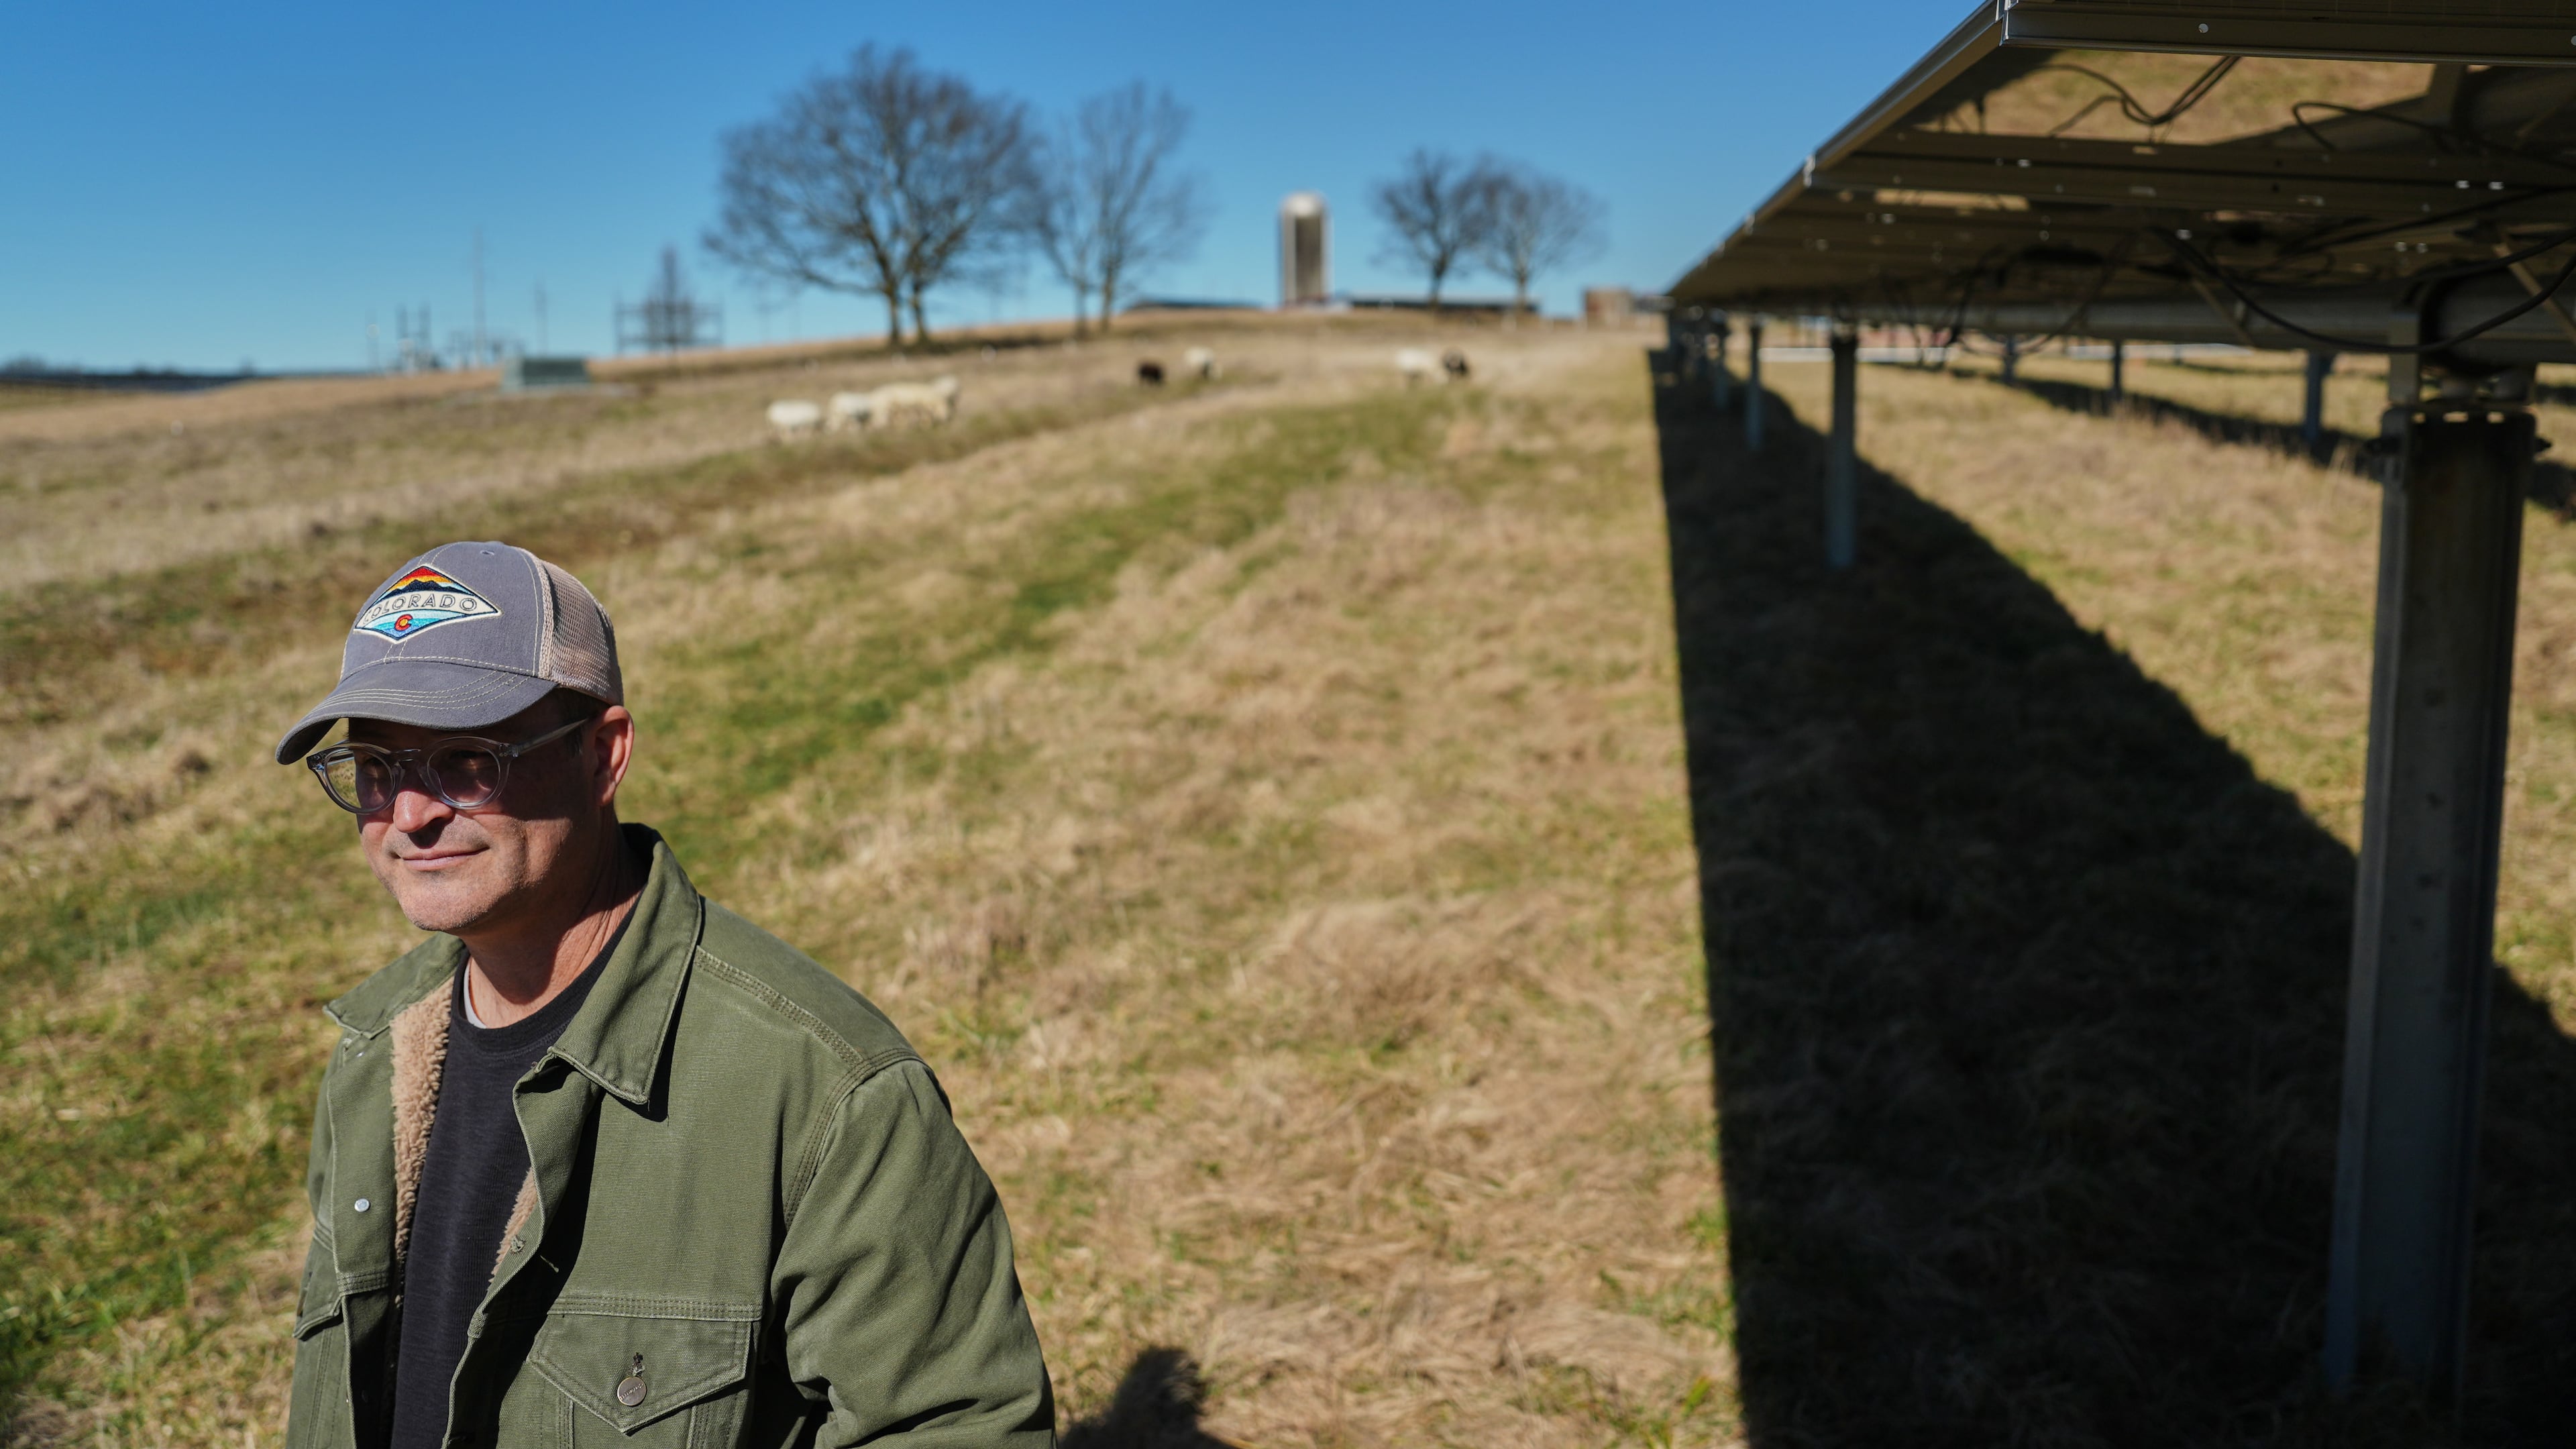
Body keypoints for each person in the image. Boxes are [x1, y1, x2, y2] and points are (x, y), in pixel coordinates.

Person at [274, 541, 1053, 1449]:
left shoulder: (823, 1094)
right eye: (377, 767)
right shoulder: (372, 1053)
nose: (410, 815)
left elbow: (958, 1424)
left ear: (604, 756)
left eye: (466, 759)